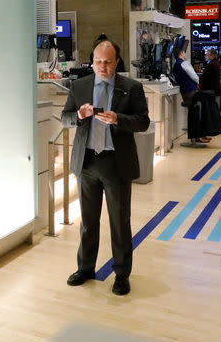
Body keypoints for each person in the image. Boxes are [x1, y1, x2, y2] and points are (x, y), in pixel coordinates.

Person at [61, 39, 150, 296]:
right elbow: (66, 117)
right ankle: (85, 268)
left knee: (119, 222)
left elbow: (143, 122)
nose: (102, 66)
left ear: (116, 62)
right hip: (87, 162)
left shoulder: (131, 88)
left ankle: (121, 274)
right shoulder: (79, 86)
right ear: (92, 61)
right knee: (88, 222)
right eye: (98, 61)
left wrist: (118, 119)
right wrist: (78, 116)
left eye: (108, 62)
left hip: (116, 163)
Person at [172, 48, 209, 144]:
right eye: (184, 52)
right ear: (181, 53)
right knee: (197, 113)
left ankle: (198, 135)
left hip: (184, 92)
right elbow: (194, 76)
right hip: (191, 90)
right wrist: (200, 83)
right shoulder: (184, 63)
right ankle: (197, 136)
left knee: (193, 113)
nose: (185, 54)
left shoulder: (175, 65)